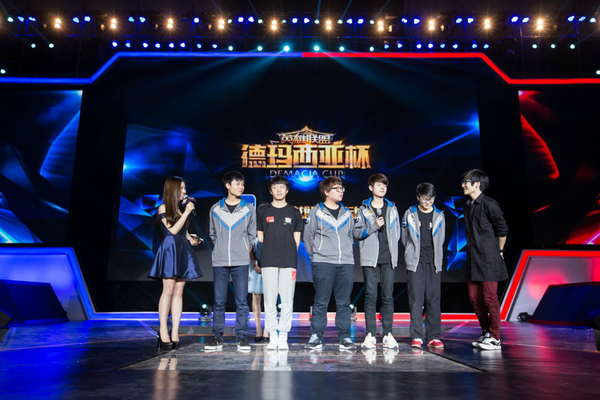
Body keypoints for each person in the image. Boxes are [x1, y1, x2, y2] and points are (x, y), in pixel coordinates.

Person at [149, 176, 203, 351]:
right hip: (169, 251)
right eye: (181, 189)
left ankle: (175, 332)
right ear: (172, 190)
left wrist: (192, 239)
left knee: (179, 291)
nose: (185, 192)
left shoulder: (181, 210)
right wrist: (186, 212)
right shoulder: (163, 208)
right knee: (168, 290)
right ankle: (163, 331)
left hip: (182, 250)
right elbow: (172, 230)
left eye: (185, 188)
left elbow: (183, 233)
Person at [304, 176, 356, 350]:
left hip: (345, 263)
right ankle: (316, 336)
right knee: (321, 301)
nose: (341, 191)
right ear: (326, 192)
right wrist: (316, 256)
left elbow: (351, 235)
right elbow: (308, 237)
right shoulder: (316, 212)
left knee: (344, 302)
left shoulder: (347, 213)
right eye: (336, 188)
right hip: (323, 262)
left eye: (342, 188)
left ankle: (345, 337)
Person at [206, 171, 256, 351]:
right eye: (237, 184)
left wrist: (242, 249)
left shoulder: (249, 208)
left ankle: (241, 336)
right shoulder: (215, 209)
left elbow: (252, 235)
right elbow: (212, 233)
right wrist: (221, 247)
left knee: (241, 301)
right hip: (219, 261)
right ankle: (217, 337)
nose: (241, 187)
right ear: (228, 186)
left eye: (242, 184)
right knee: (219, 302)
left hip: (240, 261)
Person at [461, 169, 508, 351]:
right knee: (474, 299)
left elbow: (502, 229)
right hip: (473, 260)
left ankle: (495, 338)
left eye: (466, 182)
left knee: (490, 299)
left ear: (477, 184)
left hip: (488, 259)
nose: (463, 185)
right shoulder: (467, 205)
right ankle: (486, 332)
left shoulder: (489, 204)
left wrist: (500, 250)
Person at [256, 176, 304, 351]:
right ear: (270, 190)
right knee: (269, 300)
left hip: (288, 261)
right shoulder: (263, 210)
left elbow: (297, 240)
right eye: (275, 187)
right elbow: (260, 237)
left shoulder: (294, 212)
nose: (278, 190)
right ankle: (272, 336)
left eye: (282, 187)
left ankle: (283, 335)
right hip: (268, 259)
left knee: (287, 299)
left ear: (287, 190)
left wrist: (286, 250)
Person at [354, 173, 401, 350]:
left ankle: (388, 334)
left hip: (388, 257)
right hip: (370, 258)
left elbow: (397, 233)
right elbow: (357, 233)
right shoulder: (363, 209)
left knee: (388, 296)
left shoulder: (392, 208)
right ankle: (371, 335)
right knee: (370, 296)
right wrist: (374, 226)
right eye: (379, 185)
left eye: (384, 185)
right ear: (370, 188)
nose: (382, 188)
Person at [401, 182, 446, 349]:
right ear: (418, 198)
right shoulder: (410, 214)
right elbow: (404, 237)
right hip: (416, 262)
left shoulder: (439, 215)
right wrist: (410, 253)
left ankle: (434, 336)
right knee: (416, 300)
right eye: (424, 199)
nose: (427, 202)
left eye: (430, 199)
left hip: (433, 262)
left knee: (433, 300)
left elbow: (441, 238)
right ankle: (417, 336)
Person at [248, 239, 269, 343]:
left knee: (269, 298)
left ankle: (267, 330)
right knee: (256, 297)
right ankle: (258, 329)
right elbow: (250, 247)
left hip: (270, 265)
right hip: (255, 265)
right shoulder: (254, 235)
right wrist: (255, 263)